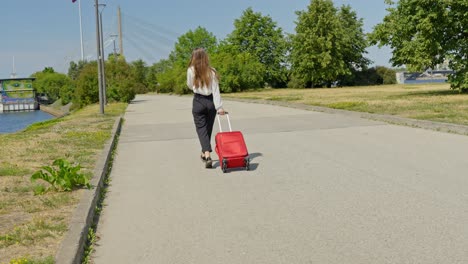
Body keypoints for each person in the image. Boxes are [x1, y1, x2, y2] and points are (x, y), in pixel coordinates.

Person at [187, 48, 225, 168]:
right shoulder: (212, 71)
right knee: (207, 129)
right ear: (205, 57)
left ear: (194, 57)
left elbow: (189, 85)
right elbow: (215, 90)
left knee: (201, 129)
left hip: (198, 101)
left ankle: (207, 155)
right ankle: (205, 153)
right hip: (210, 102)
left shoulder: (191, 70)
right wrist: (219, 107)